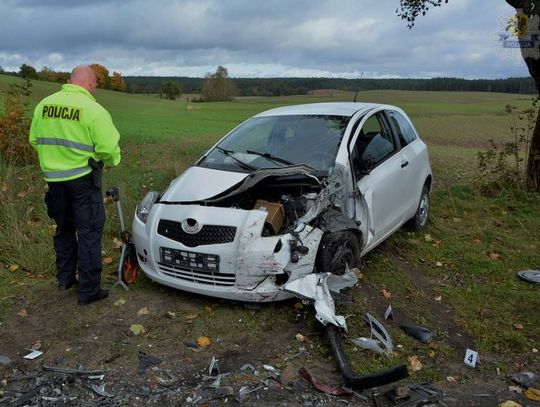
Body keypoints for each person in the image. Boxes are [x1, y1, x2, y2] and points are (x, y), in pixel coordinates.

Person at [29, 65, 121, 305]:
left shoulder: (44, 105)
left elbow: (34, 140)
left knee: (63, 229)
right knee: (89, 232)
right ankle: (89, 290)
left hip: (54, 182)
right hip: (82, 181)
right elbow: (108, 149)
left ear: (69, 81)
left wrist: (54, 161)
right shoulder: (93, 109)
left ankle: (66, 279)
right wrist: (111, 161)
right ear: (90, 83)